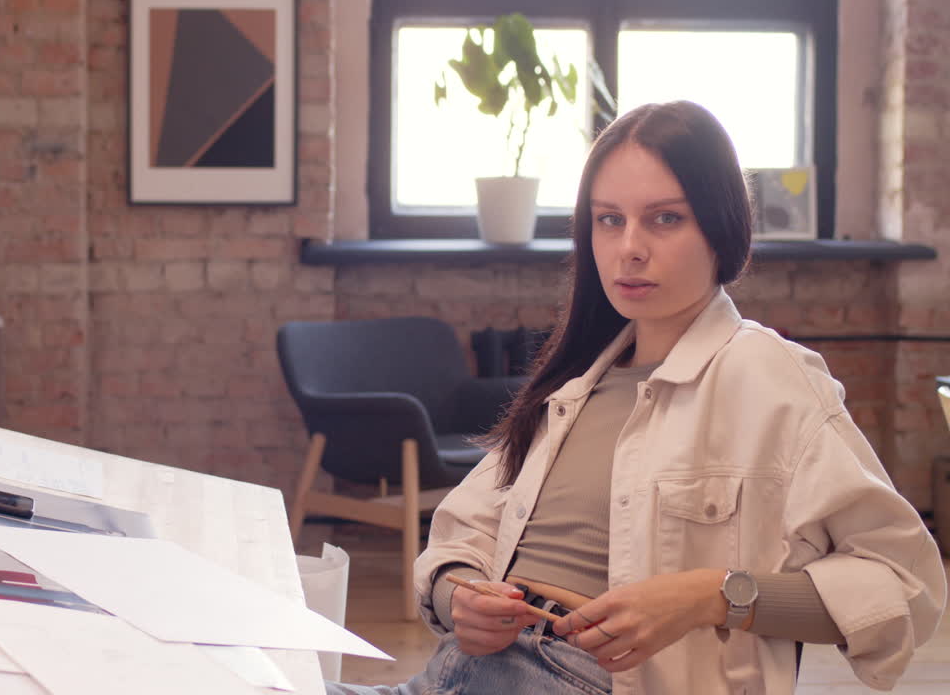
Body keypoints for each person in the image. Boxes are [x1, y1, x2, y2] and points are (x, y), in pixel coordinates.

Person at [329, 101, 946, 694]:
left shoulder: (769, 377)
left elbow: (903, 586)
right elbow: (463, 532)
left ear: (720, 228)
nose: (629, 247)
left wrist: (711, 595)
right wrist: (458, 593)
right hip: (451, 676)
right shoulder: (574, 383)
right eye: (609, 219)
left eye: (666, 218)